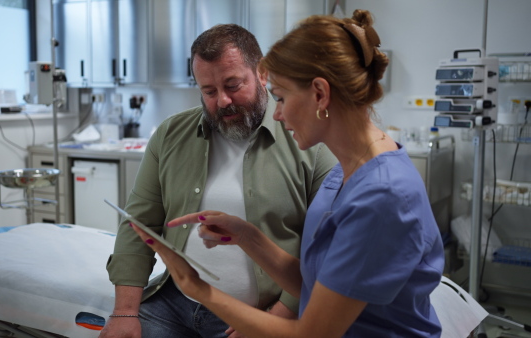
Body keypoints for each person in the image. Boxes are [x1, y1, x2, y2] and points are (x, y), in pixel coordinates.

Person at [133, 10, 445, 338]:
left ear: (320, 94)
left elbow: (312, 333)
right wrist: (245, 236)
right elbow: (317, 282)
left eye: (280, 97)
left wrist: (196, 287)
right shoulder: (346, 174)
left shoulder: (383, 196)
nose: (277, 114)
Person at [100, 23, 337, 338]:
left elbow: (327, 251)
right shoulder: (171, 136)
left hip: (260, 312)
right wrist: (125, 313)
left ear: (262, 73)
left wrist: (273, 322)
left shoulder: (310, 142)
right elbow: (138, 225)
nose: (223, 101)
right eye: (209, 91)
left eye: (233, 85)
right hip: (174, 304)